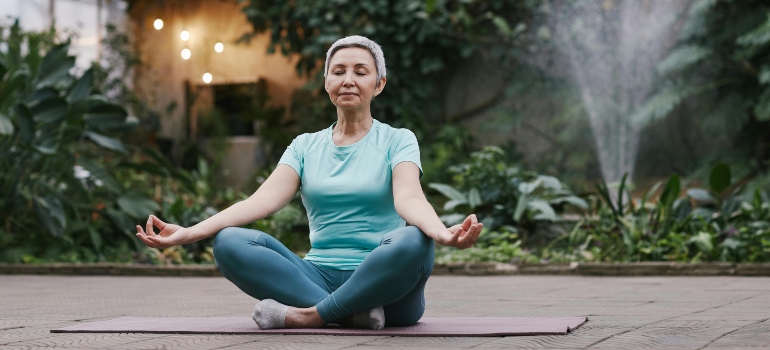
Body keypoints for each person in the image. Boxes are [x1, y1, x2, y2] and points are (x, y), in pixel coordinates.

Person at [135, 35, 482, 330]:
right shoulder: (304, 145)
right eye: (339, 71)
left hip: (387, 290)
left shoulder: (398, 140)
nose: (348, 79)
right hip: (315, 276)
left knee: (414, 241)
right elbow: (261, 202)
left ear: (379, 85)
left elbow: (409, 199)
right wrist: (190, 232)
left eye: (361, 72)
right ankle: (350, 314)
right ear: (327, 82)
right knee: (228, 242)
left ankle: (308, 317)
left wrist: (441, 233)